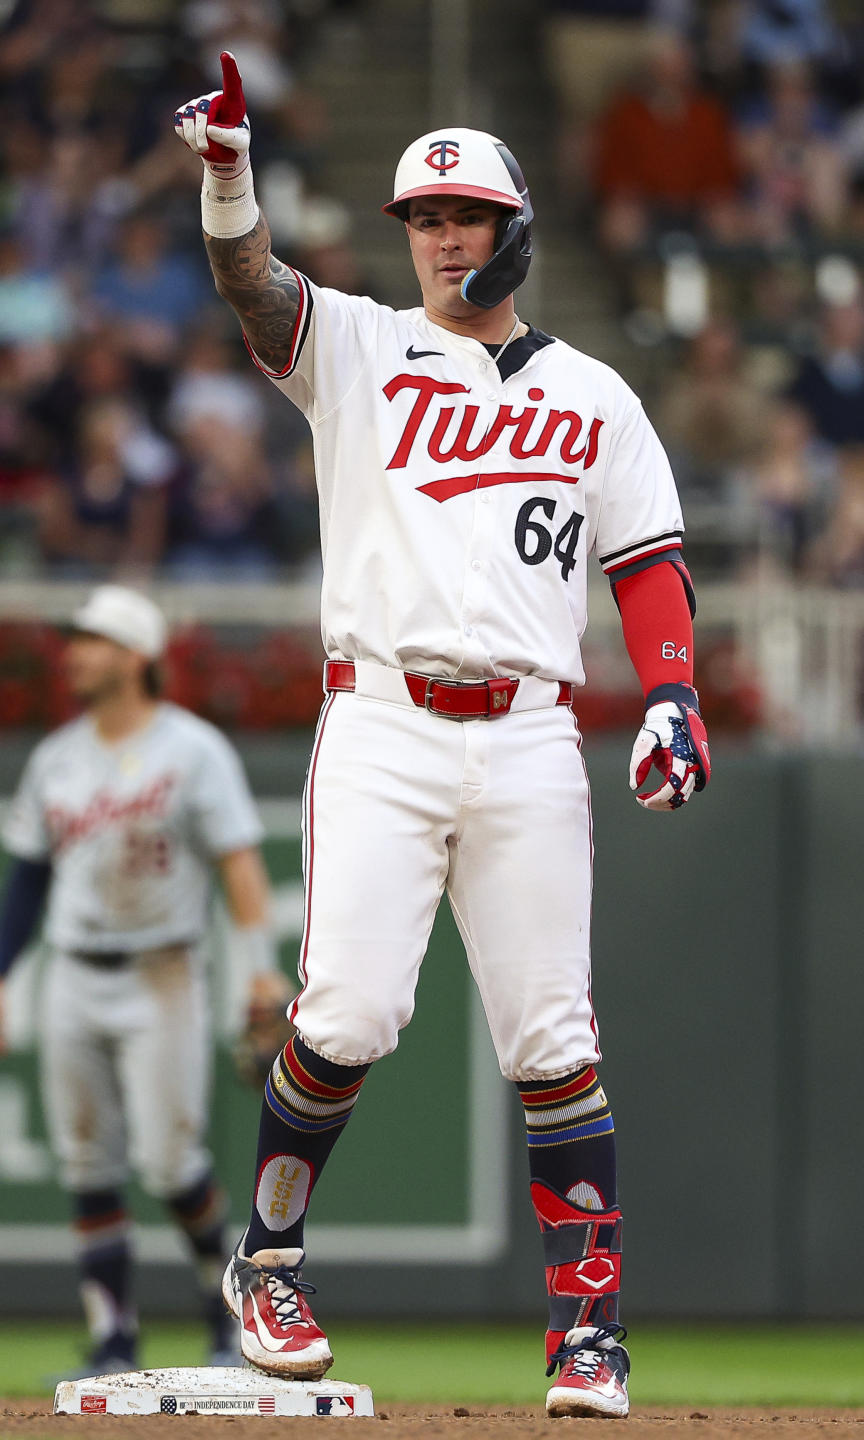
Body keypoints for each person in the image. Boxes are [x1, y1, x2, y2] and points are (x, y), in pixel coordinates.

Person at [173, 54, 711, 1419]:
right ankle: (268, 1261)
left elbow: (647, 561)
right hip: (386, 722)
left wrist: (672, 692)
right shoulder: (358, 344)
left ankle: (588, 1333)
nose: (442, 237)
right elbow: (254, 287)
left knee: (552, 1038)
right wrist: (230, 178)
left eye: (464, 215)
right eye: (422, 217)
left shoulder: (594, 394)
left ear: (515, 225)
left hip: (529, 734)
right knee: (348, 1012)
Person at [0, 584, 290, 1376]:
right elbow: (26, 877)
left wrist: (260, 970)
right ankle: (112, 1341)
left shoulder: (194, 748)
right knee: (87, 1162)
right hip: (74, 971)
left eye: (94, 639)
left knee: (171, 1162)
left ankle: (229, 1326)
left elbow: (240, 867)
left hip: (164, 973)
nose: (75, 652)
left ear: (138, 655)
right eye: (74, 639)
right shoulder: (57, 755)